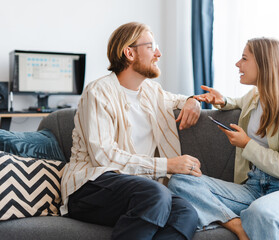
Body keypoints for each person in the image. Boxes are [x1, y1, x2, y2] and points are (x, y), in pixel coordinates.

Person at [168, 37, 279, 240]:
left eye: (244, 58)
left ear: (264, 64)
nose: (238, 64)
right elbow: (237, 102)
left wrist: (247, 144)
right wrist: (222, 100)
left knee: (261, 213)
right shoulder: (257, 96)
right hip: (254, 186)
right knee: (180, 181)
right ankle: (235, 224)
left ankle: (247, 218)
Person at [60, 22, 203, 240]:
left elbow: (181, 100)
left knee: (186, 213)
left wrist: (194, 102)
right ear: (129, 53)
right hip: (89, 187)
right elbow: (104, 156)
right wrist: (168, 164)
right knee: (155, 194)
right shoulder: (98, 92)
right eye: (151, 47)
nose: (158, 53)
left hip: (137, 189)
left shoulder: (152, 92)